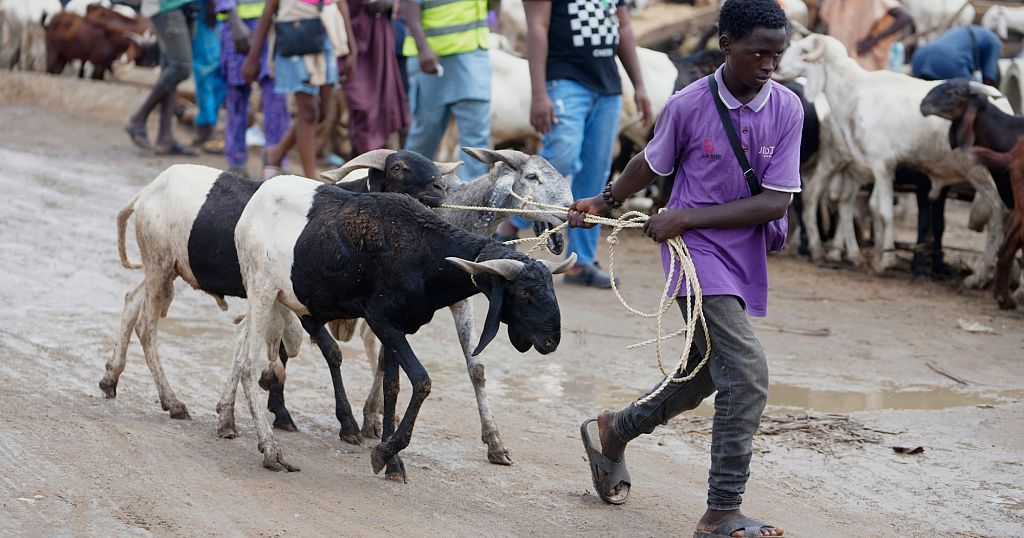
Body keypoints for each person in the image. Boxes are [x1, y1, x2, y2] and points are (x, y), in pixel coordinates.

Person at [570, 0, 800, 535]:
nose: (769, 64)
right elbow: (650, 163)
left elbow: (774, 203)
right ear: (726, 46)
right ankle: (722, 510)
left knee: (701, 375)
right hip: (694, 255)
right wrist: (604, 200)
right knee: (746, 374)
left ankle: (613, 430)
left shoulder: (787, 108)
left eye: (777, 54)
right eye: (758, 52)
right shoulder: (689, 104)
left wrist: (685, 214)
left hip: (741, 251)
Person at [494, 0, 651, 289]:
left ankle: (582, 262)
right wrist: (539, 93)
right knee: (561, 157)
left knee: (596, 172)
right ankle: (508, 226)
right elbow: (537, 28)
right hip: (564, 81)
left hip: (607, 88)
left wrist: (639, 85)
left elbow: (624, 28)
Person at [245, 0, 356, 179]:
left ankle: (276, 153)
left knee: (321, 113)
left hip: (327, 30)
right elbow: (269, 9)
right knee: (309, 112)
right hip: (295, 30)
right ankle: (311, 180)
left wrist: (352, 49)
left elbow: (341, 3)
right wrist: (253, 57)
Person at [401, 0, 491, 180]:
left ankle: (471, 200)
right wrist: (423, 48)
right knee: (425, 136)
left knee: (477, 139)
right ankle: (407, 194)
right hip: (432, 59)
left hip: (473, 55)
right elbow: (409, 4)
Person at [216, 0, 291, 176]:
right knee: (236, 96)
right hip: (238, 25)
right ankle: (236, 162)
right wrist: (233, 20)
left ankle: (275, 161)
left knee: (276, 96)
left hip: (274, 26)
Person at [126, 0, 201, 155]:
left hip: (189, 6)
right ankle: (138, 118)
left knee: (170, 67)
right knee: (180, 67)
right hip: (166, 6)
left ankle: (165, 138)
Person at [342, 0, 410, 154]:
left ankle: (375, 161)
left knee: (385, 104)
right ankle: (364, 160)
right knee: (361, 105)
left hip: (380, 42)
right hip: (355, 39)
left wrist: (388, 4)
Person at [818, 0, 912, 71]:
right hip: (837, 61)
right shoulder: (834, 2)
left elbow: (904, 16)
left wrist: (872, 40)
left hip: (863, 61)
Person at [912, 25, 1003, 87]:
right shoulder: (995, 42)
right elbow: (989, 79)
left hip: (920, 56)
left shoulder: (963, 31)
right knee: (970, 98)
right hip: (949, 60)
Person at [191, 0, 227, 150]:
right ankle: (206, 126)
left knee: (220, 73)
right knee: (206, 70)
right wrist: (212, 5)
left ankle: (206, 125)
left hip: (225, 13)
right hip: (209, 11)